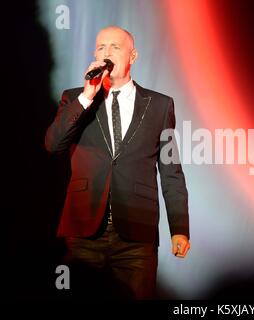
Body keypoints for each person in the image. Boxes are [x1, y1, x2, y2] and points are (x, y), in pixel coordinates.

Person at [45, 26, 190, 299]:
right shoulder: (74, 98)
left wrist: (179, 228)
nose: (107, 53)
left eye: (115, 47)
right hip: (83, 232)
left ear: (132, 56)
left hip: (137, 235)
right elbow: (54, 145)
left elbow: (171, 170)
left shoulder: (159, 105)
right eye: (101, 47)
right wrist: (87, 96)